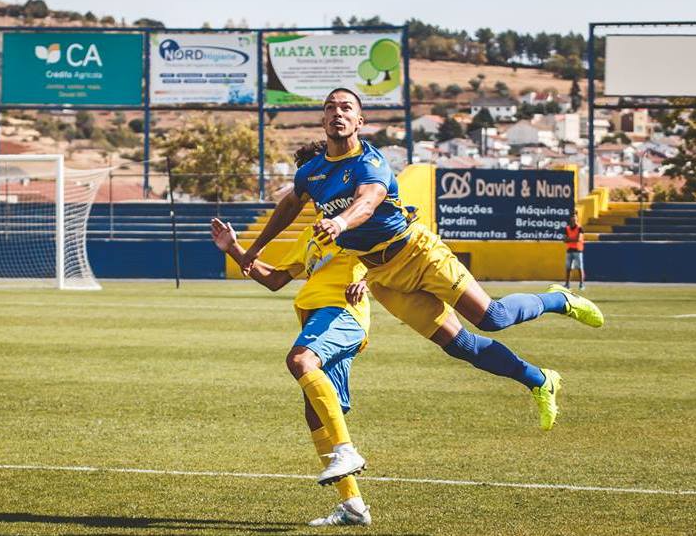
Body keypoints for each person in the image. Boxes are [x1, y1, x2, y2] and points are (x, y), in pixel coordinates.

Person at [242, 88, 606, 432]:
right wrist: (255, 248)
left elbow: (367, 202)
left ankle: (560, 299)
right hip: (382, 276)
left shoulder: (371, 160)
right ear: (323, 120)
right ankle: (541, 381)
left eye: (346, 107)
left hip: (418, 253)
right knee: (460, 345)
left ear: (360, 121)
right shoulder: (311, 173)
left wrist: (339, 221)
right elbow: (290, 205)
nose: (338, 112)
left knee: (492, 318)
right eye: (330, 108)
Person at [210, 143, 372, 527]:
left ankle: (347, 451)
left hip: (343, 314)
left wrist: (366, 280)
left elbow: (386, 253)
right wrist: (234, 248)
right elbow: (275, 280)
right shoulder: (312, 236)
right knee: (314, 413)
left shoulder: (358, 218)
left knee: (299, 360)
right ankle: (353, 505)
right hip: (316, 318)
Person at [564, 213, 586, 290]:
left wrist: (569, 239)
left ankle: (581, 284)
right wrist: (572, 239)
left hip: (578, 250)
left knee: (580, 268)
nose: (573, 218)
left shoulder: (580, 228)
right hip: (569, 250)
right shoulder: (567, 228)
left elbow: (578, 239)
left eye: (575, 217)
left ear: (577, 218)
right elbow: (564, 240)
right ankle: (567, 284)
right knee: (568, 268)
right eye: (572, 217)